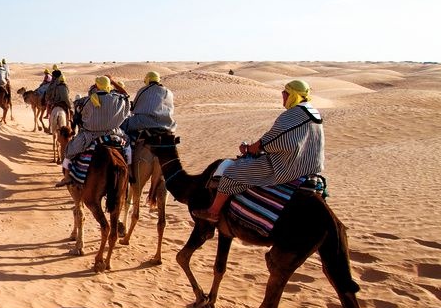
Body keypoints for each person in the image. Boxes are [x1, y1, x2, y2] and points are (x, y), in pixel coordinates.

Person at [192, 79, 324, 223]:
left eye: (285, 93)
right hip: (309, 167)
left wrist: (249, 148)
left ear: (293, 95)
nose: (283, 96)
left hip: (287, 168)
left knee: (230, 173)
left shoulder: (294, 114)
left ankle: (213, 212)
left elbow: (273, 140)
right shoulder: (313, 112)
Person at [64, 75, 130, 160]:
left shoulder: (88, 100)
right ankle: (130, 169)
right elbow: (126, 95)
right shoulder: (117, 99)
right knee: (128, 148)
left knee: (69, 152)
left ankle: (70, 171)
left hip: (90, 135)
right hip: (113, 132)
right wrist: (113, 82)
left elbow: (82, 114)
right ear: (109, 86)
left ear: (97, 86)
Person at [122, 71, 176, 136]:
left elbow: (134, 106)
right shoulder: (168, 91)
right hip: (167, 123)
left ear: (148, 79)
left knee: (123, 125)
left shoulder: (144, 90)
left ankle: (128, 144)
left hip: (145, 121)